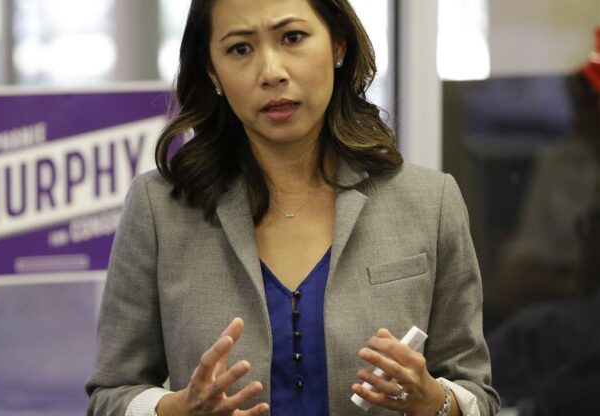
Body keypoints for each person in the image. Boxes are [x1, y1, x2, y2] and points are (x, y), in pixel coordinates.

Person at [86, 1, 500, 415]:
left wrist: (436, 402)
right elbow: (110, 394)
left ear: (338, 45)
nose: (271, 72)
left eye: (292, 38)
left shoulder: (429, 202)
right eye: (240, 49)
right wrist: (175, 410)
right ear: (212, 71)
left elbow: (477, 395)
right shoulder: (161, 209)